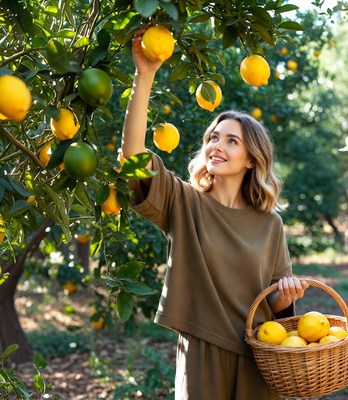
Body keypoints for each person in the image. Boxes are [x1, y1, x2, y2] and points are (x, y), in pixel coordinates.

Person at [121, 28, 309, 400]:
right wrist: (144, 75)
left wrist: (287, 295)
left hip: (260, 354)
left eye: (231, 140)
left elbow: (273, 301)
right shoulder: (184, 201)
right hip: (201, 353)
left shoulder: (270, 224)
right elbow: (132, 160)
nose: (216, 146)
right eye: (213, 137)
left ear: (251, 159)